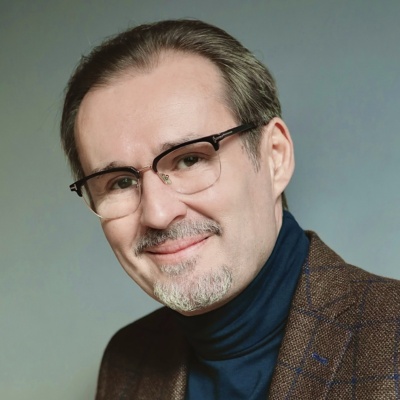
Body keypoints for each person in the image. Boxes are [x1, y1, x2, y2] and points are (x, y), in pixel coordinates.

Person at [61, 19, 400, 399]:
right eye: (121, 182)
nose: (157, 214)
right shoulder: (127, 363)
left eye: (189, 159)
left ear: (274, 157)